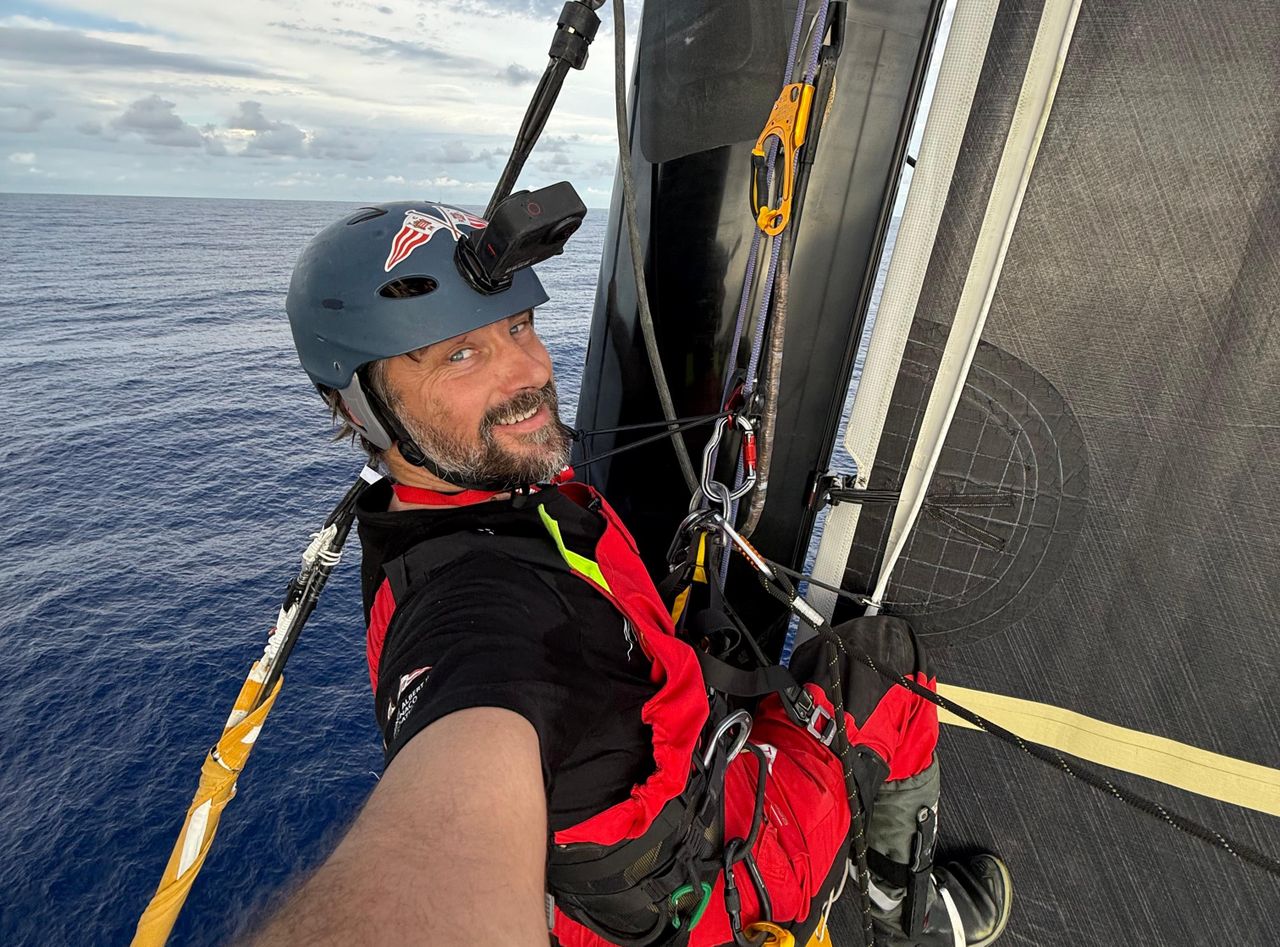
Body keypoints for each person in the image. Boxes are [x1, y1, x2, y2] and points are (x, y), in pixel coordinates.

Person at [249, 200, 1012, 946]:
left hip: (616, 870)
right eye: (458, 353)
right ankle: (905, 914)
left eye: (517, 324)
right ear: (358, 410)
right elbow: (450, 811)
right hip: (710, 887)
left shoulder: (444, 502)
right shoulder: (474, 617)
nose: (529, 371)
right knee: (885, 666)